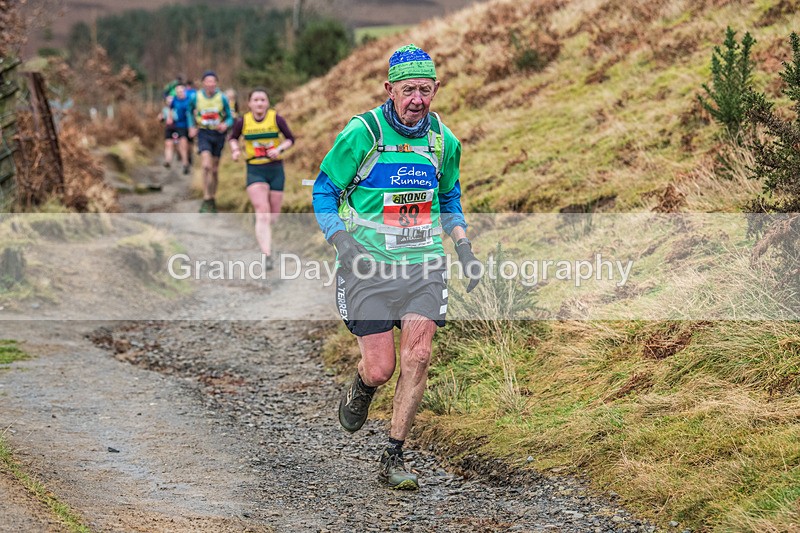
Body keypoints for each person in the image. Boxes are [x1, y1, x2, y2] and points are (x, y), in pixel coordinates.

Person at [312, 44, 482, 490]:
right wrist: (341, 239)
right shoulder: (363, 133)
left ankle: (394, 454)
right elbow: (324, 192)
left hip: (423, 264)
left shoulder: (443, 141)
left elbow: (449, 197)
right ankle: (363, 386)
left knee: (419, 356)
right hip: (367, 266)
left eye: (425, 90)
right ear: (390, 89)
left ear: (436, 89)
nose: (417, 100)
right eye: (408, 90)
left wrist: (464, 247)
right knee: (381, 368)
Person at [228, 88, 295, 269]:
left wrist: (279, 149)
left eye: (262, 100)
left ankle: (263, 231)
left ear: (267, 103)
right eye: (256, 100)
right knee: (262, 211)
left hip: (276, 170)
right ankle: (267, 254)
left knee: (273, 216)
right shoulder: (243, 121)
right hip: (255, 169)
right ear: (249, 103)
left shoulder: (276, 119)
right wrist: (235, 150)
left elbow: (290, 139)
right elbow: (233, 138)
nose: (259, 103)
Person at [189, 70, 234, 213]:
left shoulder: (222, 98)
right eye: (207, 81)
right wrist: (191, 126)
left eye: (213, 81)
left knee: (214, 170)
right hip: (204, 132)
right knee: (206, 166)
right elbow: (189, 111)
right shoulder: (196, 97)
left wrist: (226, 124)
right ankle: (206, 197)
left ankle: (213, 198)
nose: (210, 84)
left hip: (218, 134)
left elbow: (230, 117)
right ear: (203, 83)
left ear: (216, 83)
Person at [166, 83, 193, 174]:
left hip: (190, 125)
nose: (179, 93)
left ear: (184, 91)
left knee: (189, 145)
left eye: (181, 91)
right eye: (177, 92)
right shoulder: (175, 100)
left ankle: (189, 157)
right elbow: (170, 109)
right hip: (179, 125)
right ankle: (185, 164)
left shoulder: (190, 99)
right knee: (182, 142)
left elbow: (195, 110)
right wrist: (170, 118)